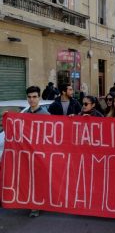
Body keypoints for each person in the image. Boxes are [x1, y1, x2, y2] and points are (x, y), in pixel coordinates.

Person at [25, 86, 50, 217]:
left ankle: (37, 205)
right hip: (28, 155)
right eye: (29, 97)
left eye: (34, 97)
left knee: (39, 181)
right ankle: (33, 205)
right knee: (30, 181)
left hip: (41, 155)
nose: (32, 100)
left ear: (39, 97)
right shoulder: (23, 115)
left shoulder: (46, 116)